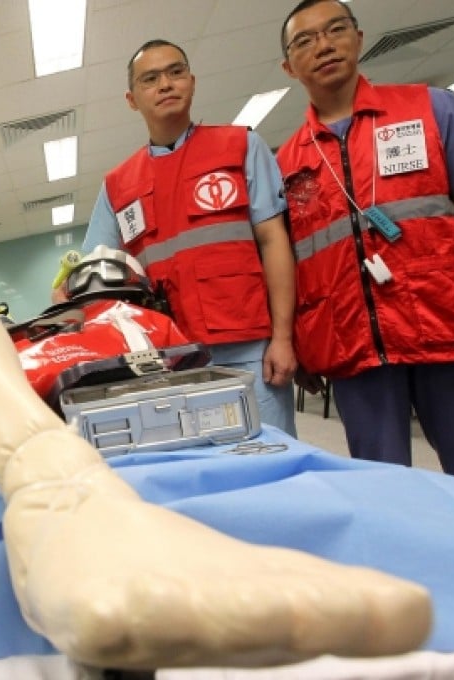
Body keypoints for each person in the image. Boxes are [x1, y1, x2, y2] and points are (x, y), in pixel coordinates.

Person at [277, 0, 454, 477]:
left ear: (359, 39)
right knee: (385, 487)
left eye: (335, 30)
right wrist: (301, 341)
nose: (323, 46)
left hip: (446, 321)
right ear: (289, 66)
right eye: (305, 41)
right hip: (352, 344)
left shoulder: (432, 108)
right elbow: (292, 259)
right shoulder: (285, 161)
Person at [79, 40, 299, 437]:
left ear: (192, 82)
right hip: (167, 361)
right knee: (197, 472)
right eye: (150, 79)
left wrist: (283, 337)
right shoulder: (118, 185)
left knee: (272, 459)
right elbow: (94, 271)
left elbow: (274, 242)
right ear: (132, 99)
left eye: (175, 72)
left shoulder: (239, 146)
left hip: (248, 348)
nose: (165, 84)